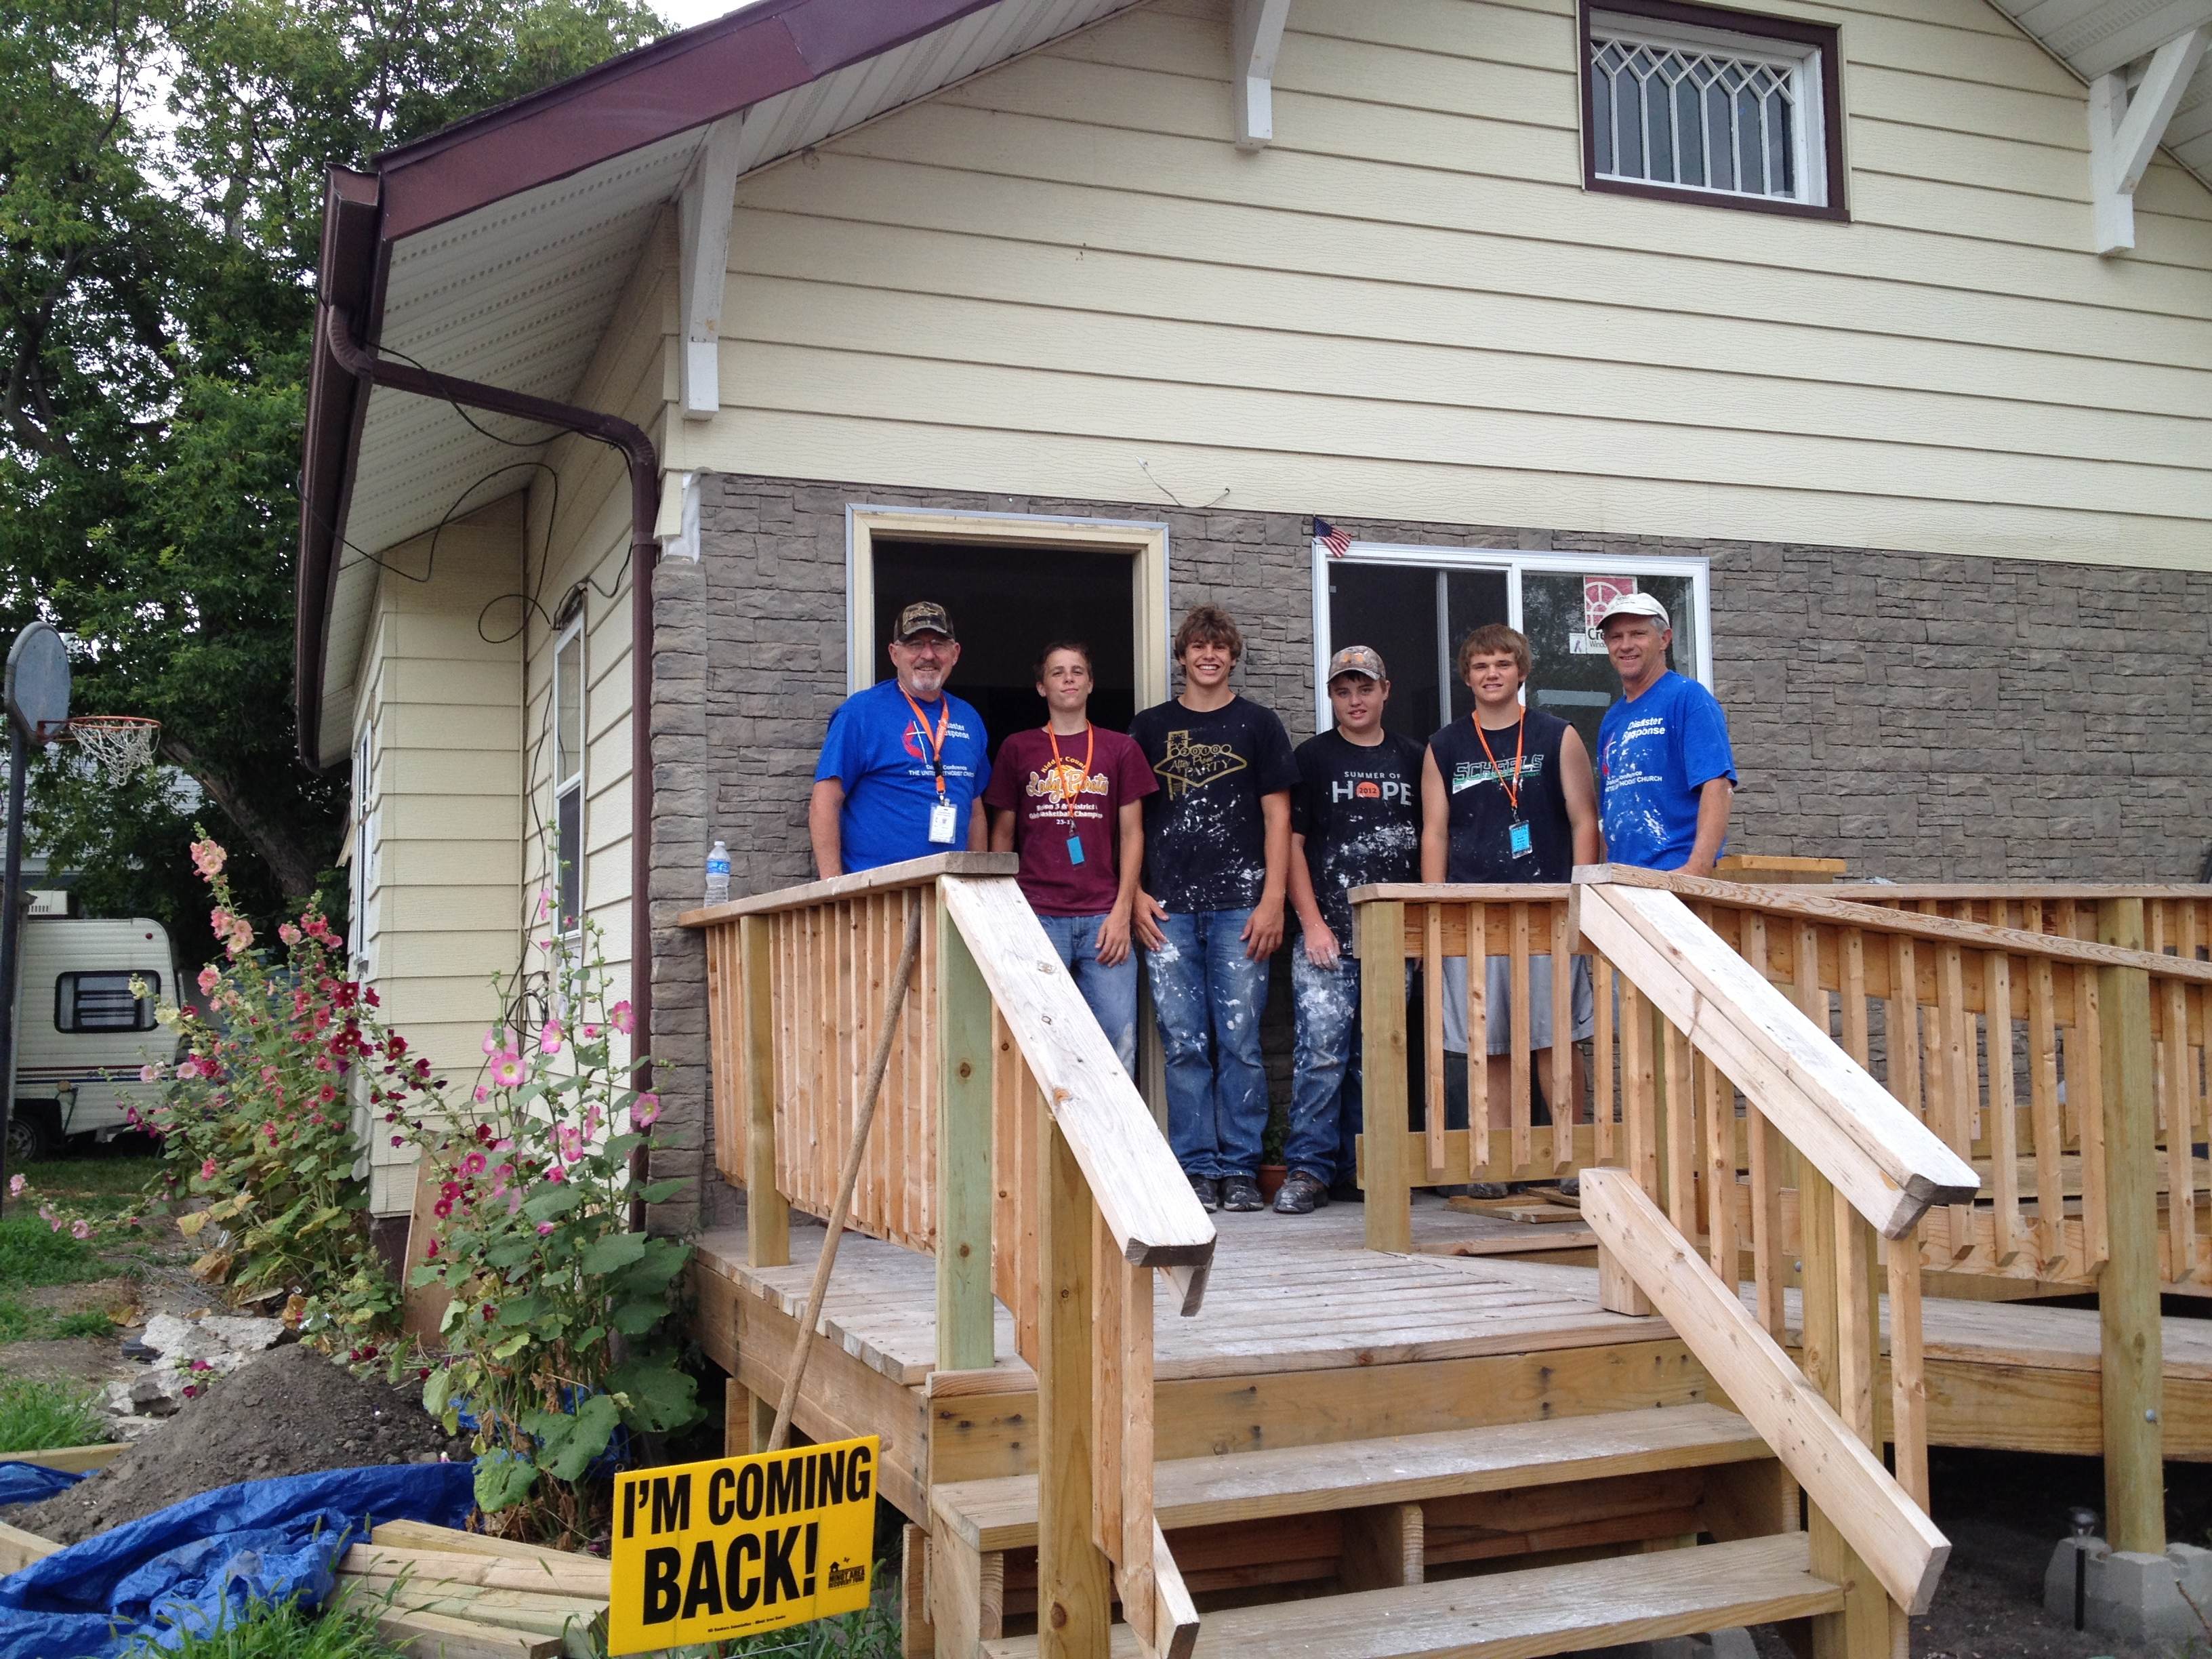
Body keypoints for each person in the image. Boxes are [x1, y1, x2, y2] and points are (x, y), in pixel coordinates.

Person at [1129, 604, 1298, 1214]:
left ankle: (1241, 1169)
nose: (1208, 656)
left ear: (1233, 656)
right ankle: (1196, 1168)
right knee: (1183, 1044)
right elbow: (1129, 822)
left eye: (1219, 647)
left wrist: (1273, 898)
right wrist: (1137, 895)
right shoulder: (1148, 729)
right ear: (1182, 657)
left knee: (1241, 1042)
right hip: (1167, 911)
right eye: (1198, 647)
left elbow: (1280, 816)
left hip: (1241, 909)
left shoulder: (1259, 725)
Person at [1422, 624, 1600, 1184]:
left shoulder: (1557, 735)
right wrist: (1435, 910)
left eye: (1502, 663)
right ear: (1467, 677)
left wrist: (1581, 897)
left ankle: (1572, 1157)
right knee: (1490, 1041)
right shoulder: (1444, 745)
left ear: (1521, 672)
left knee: (1554, 1037)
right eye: (1480, 666)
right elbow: (1435, 833)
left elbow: (1583, 821)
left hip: (1548, 908)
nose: (1492, 674)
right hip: (1473, 911)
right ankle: (1498, 1160)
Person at [1280, 647, 1425, 1214]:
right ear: (1332, 697)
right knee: (1321, 1055)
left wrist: (1417, 931)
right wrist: (1312, 923)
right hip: (1328, 937)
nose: (1355, 699)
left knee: (1380, 1057)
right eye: (1343, 691)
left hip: (1395, 937)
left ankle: (1371, 1169)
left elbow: (1433, 837)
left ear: (1385, 690)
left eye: (1364, 688)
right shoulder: (1312, 758)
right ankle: (1309, 1171)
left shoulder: (1416, 757)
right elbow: (1291, 845)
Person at [985, 641, 1158, 1075]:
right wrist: (1004, 913)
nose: (1068, 679)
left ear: (1091, 683)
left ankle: (1113, 1142)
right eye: (1058, 672)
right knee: (1040, 1046)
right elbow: (1002, 835)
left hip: (1104, 918)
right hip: (1037, 917)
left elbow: (1133, 833)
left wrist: (1123, 912)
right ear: (1041, 687)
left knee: (1117, 1046)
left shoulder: (1120, 749)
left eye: (1077, 671)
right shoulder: (1018, 749)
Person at [808, 602, 989, 877]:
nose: (928, 655)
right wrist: (833, 889)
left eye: (939, 644)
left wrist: (978, 883)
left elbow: (975, 810)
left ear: (955, 654)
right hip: (878, 895)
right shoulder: (860, 713)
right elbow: (826, 801)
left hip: (950, 892)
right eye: (915, 644)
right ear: (894, 654)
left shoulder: (969, 718)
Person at [1593, 594, 1737, 874]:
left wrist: (1695, 870)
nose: (1626, 645)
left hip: (1674, 875)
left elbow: (1717, 786)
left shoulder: (1688, 698)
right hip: (1624, 880)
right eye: (1616, 637)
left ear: (1665, 639)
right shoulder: (1612, 719)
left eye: (1638, 634)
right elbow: (1610, 809)